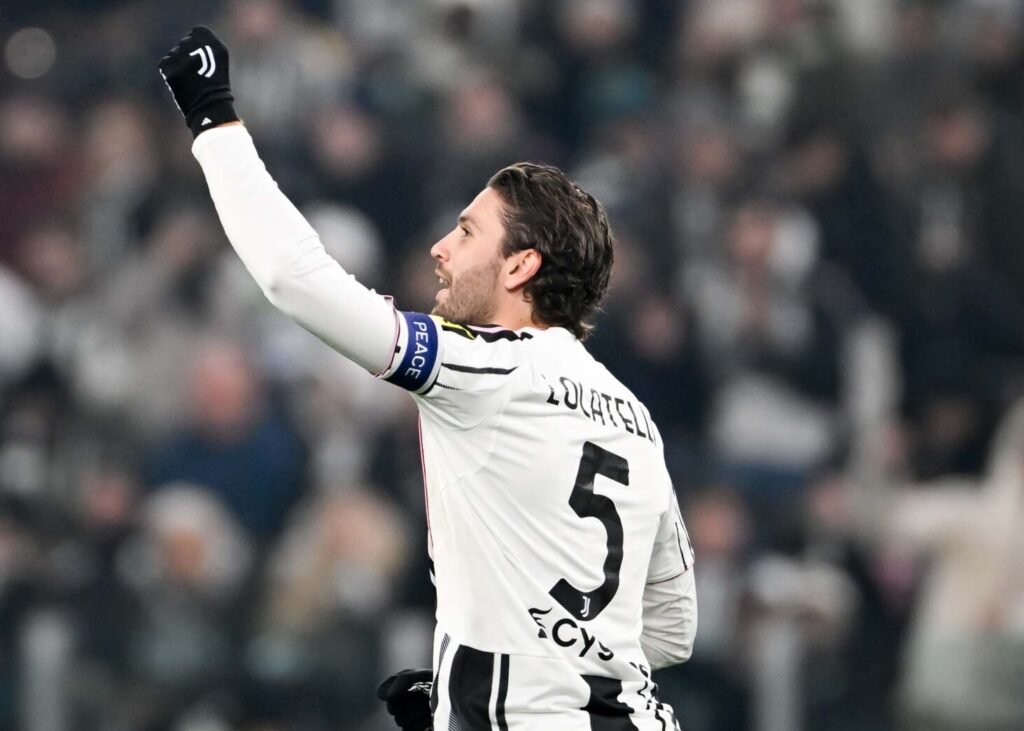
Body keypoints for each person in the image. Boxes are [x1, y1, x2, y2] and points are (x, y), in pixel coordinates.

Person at [159, 26, 697, 730]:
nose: (440, 249)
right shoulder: (634, 417)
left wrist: (213, 120)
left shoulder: (488, 364)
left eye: (467, 232)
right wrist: (477, 687)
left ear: (520, 266)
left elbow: (296, 280)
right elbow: (672, 628)